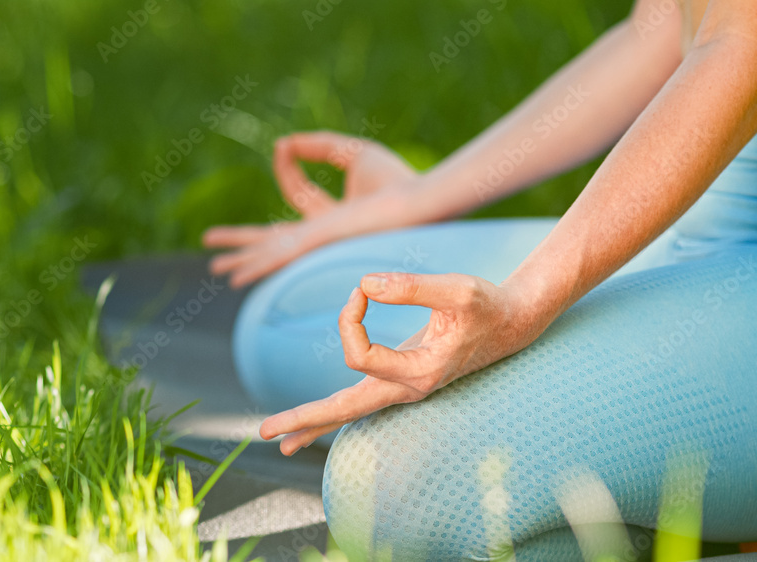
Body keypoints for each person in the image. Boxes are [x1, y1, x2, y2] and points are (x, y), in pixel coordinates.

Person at [203, 0, 757, 559]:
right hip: (691, 233)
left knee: (394, 488)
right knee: (289, 314)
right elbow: (661, 26)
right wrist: (418, 197)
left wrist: (525, 301)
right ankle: (655, 509)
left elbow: (743, 46)